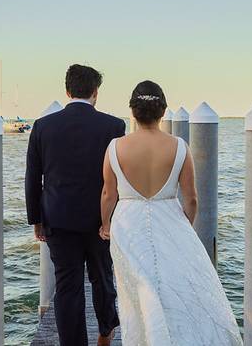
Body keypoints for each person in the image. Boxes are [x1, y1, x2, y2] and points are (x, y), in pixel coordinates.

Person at [100, 80, 243, 345]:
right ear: (163, 111)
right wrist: (182, 227)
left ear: (132, 111)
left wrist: (105, 225)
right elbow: (191, 198)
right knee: (173, 289)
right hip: (171, 220)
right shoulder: (179, 147)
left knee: (137, 294)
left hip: (127, 224)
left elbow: (109, 194)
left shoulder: (114, 147)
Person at [25, 64, 125, 346]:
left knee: (68, 288)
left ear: (67, 91)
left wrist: (36, 220)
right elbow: (118, 178)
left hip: (58, 219)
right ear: (96, 92)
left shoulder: (43, 126)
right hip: (100, 221)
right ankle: (106, 332)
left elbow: (33, 177)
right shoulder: (114, 126)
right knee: (103, 278)